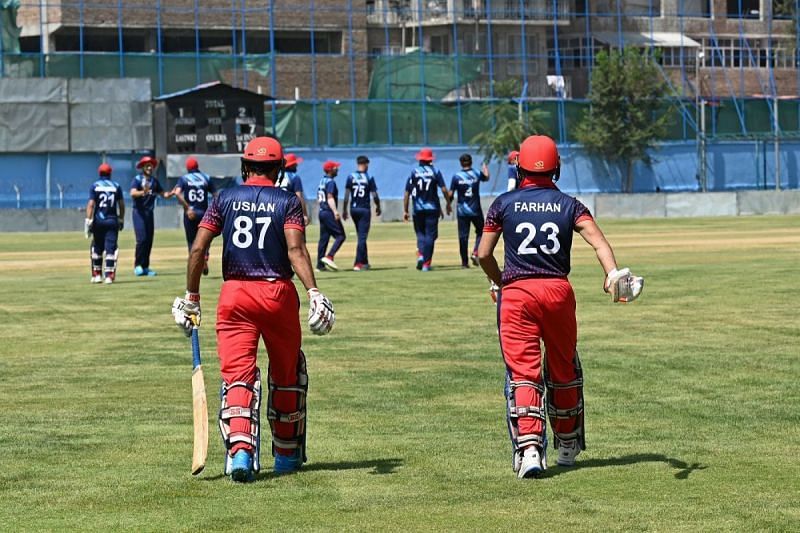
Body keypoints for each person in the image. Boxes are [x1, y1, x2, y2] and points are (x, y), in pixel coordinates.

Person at [477, 135, 643, 479]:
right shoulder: (570, 204)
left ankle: (531, 450)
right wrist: (612, 274)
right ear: (556, 167)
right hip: (558, 292)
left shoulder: (502, 204)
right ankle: (566, 446)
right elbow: (598, 242)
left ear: (519, 165)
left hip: (518, 294)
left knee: (524, 373)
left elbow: (482, 253)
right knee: (564, 370)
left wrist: (501, 280)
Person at [171, 136, 335, 483]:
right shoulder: (287, 200)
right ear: (278, 170)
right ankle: (287, 456)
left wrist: (191, 296)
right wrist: (315, 292)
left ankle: (241, 453)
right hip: (277, 293)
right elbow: (296, 251)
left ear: (245, 166)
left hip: (234, 296)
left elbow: (198, 249)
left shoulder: (224, 198)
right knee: (287, 374)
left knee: (237, 377)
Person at [402, 147, 451, 271]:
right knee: (431, 236)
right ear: (430, 160)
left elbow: (407, 192)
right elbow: (443, 190)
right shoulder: (435, 171)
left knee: (420, 234)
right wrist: (448, 203)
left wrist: (405, 210)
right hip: (432, 209)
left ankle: (421, 255)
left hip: (417, 209)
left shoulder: (414, 172)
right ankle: (426, 263)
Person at [129, 156, 173, 276]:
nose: (149, 168)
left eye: (151, 166)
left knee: (148, 240)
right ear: (142, 167)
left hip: (149, 213)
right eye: (147, 166)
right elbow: (132, 193)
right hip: (139, 213)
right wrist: (143, 192)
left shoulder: (154, 181)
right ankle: (137, 265)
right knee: (141, 239)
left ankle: (145, 266)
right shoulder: (137, 179)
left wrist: (171, 193)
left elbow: (163, 193)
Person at [174, 156, 217, 275]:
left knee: (191, 240)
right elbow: (216, 196)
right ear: (197, 166)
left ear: (187, 168)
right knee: (205, 238)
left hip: (190, 214)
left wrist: (187, 208)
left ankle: (195, 264)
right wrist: (213, 210)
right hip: (204, 213)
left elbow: (177, 193)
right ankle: (205, 256)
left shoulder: (184, 179)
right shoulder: (206, 178)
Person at [85, 163, 125, 284]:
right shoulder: (116, 186)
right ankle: (109, 276)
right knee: (111, 248)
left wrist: (88, 220)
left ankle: (97, 275)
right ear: (110, 173)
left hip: (98, 221)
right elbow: (121, 205)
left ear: (99, 173)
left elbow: (91, 204)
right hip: (112, 221)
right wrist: (121, 219)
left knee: (97, 247)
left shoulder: (95, 186)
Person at [449, 153, 489, 268]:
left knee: (463, 237)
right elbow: (486, 177)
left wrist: (448, 204)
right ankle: (476, 252)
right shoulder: (476, 173)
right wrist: (485, 167)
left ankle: (464, 263)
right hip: (475, 210)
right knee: (481, 231)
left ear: (461, 163)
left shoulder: (456, 176)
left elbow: (451, 193)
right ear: (471, 162)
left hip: (462, 212)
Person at [342, 155, 382, 271]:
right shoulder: (369, 177)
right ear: (365, 164)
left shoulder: (351, 177)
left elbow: (346, 195)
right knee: (362, 237)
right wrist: (378, 206)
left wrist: (344, 209)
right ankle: (358, 263)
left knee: (361, 236)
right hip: (364, 209)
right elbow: (374, 195)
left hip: (354, 209)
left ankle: (364, 261)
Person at [316, 160, 346, 271]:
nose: (337, 169)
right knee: (341, 236)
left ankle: (319, 265)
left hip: (322, 211)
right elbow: (329, 197)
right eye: (335, 168)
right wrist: (335, 211)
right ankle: (329, 256)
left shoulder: (322, 181)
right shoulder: (330, 182)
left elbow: (319, 199)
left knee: (324, 238)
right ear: (331, 170)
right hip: (328, 211)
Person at [277, 153, 310, 226]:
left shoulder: (277, 176)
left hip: (276, 210)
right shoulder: (295, 177)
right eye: (295, 164)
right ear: (291, 165)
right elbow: (299, 197)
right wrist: (304, 214)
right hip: (291, 211)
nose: (297, 165)